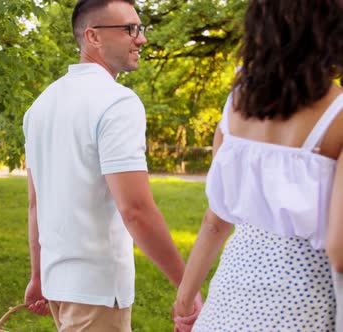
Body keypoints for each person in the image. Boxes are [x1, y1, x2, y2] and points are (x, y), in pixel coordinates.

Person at [22, 0, 196, 330]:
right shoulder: (117, 102)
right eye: (129, 29)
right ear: (93, 37)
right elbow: (136, 210)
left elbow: (35, 204)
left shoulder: (41, 105)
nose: (141, 39)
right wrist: (188, 287)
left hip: (60, 285)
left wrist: (39, 275)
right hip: (97, 290)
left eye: (140, 28)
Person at [173, 0, 343, 331]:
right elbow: (338, 249)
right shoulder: (338, 114)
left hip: (232, 287)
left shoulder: (236, 103)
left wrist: (185, 297)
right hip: (303, 299)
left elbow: (215, 220)